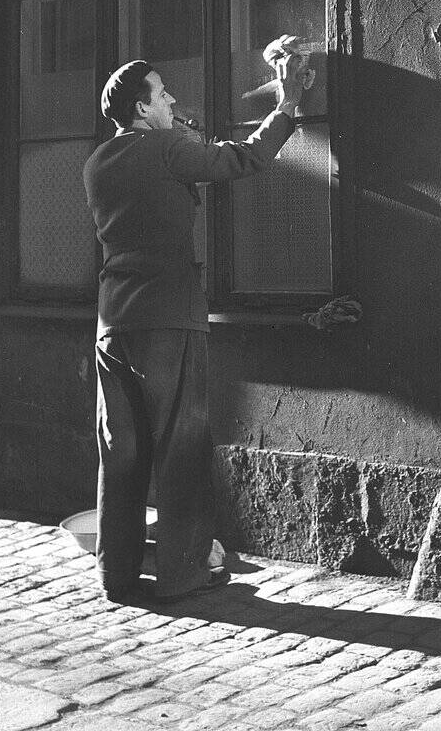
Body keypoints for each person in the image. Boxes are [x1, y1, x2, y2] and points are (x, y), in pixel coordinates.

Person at [83, 44, 308, 602]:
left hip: (114, 322)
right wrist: (289, 101)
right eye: (163, 93)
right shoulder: (163, 147)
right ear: (141, 109)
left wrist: (181, 138)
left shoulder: (97, 162)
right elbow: (244, 160)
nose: (173, 99)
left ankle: (116, 575)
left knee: (122, 453)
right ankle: (183, 574)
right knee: (180, 449)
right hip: (168, 317)